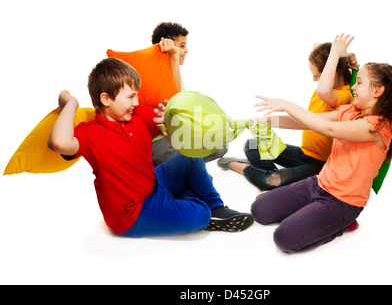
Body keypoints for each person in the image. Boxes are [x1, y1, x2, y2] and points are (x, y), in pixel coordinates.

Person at [47, 57, 254, 237]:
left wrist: (173, 121)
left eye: (136, 95)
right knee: (200, 215)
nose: (137, 101)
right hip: (131, 213)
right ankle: (200, 207)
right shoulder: (88, 133)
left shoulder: (137, 116)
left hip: (154, 183)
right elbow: (58, 143)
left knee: (189, 157)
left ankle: (216, 206)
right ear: (105, 99)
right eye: (130, 97)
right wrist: (71, 103)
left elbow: (173, 124)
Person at [250, 34, 392, 253]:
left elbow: (328, 129)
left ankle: (340, 225)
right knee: (259, 210)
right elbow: (312, 122)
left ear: (378, 91)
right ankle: (314, 213)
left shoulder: (378, 126)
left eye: (359, 83)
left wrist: (285, 104)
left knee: (283, 239)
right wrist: (269, 120)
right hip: (318, 183)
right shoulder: (350, 110)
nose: (353, 87)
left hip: (343, 202)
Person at [217, 37, 357, 190]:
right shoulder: (326, 88)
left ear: (332, 75)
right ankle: (273, 177)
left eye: (316, 76)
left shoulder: (343, 96)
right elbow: (317, 46)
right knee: (252, 145)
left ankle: (238, 166)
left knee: (272, 180)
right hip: (304, 154)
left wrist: (337, 55)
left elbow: (317, 102)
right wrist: (268, 121)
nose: (313, 80)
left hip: (321, 164)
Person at [151, 21, 228, 165]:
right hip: (160, 141)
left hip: (178, 136)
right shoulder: (154, 73)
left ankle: (190, 164)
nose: (186, 50)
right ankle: (190, 167)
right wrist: (173, 56)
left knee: (221, 144)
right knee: (178, 156)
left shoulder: (175, 71)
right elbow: (176, 100)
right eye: (182, 46)